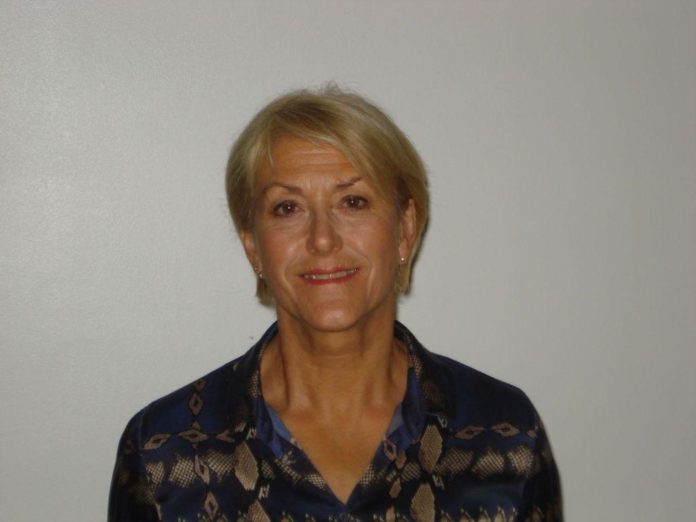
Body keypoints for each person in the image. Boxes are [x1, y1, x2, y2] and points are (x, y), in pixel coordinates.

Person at [109, 86, 562, 521]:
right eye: (287, 208)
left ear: (405, 230)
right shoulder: (164, 453)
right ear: (252, 245)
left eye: (353, 201)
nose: (322, 239)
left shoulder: (505, 436)